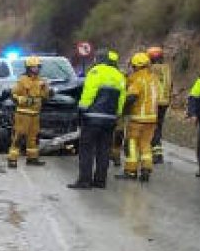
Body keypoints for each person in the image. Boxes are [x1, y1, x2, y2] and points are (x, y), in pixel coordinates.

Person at [69, 49, 126, 190]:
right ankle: (100, 181)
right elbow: (122, 99)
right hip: (110, 119)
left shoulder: (95, 72)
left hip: (92, 118)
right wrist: (117, 114)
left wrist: (81, 110)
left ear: (99, 59)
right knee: (104, 150)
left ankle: (84, 181)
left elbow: (89, 92)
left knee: (86, 149)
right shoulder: (120, 76)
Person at [118, 53, 160, 182]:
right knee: (146, 144)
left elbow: (131, 97)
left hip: (137, 119)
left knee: (131, 143)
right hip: (152, 119)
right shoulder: (154, 79)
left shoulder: (137, 79)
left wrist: (123, 111)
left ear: (135, 66)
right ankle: (146, 168)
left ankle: (131, 171)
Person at [7, 55, 50, 168]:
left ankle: (32, 158)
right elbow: (13, 95)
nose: (37, 69)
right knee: (18, 137)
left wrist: (47, 90)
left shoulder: (41, 81)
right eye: (34, 67)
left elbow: (44, 96)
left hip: (35, 115)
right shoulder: (22, 80)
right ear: (29, 68)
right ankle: (12, 159)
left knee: (33, 137)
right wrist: (25, 100)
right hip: (23, 114)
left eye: (38, 67)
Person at [147, 46, 172, 163]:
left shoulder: (151, 69)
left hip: (154, 102)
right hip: (164, 102)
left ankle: (156, 154)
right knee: (158, 126)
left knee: (152, 127)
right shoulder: (167, 69)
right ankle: (157, 152)